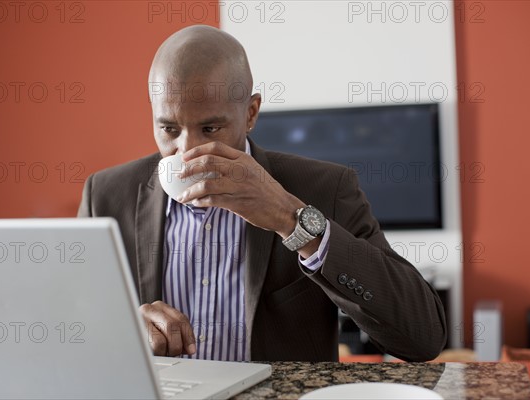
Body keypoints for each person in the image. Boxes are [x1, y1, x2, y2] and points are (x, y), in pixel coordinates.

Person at [77, 25, 447, 362]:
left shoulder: (325, 188)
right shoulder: (106, 195)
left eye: (210, 127)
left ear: (251, 112)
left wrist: (292, 220)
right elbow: (66, 326)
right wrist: (122, 330)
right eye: (169, 128)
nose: (187, 152)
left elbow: (423, 337)